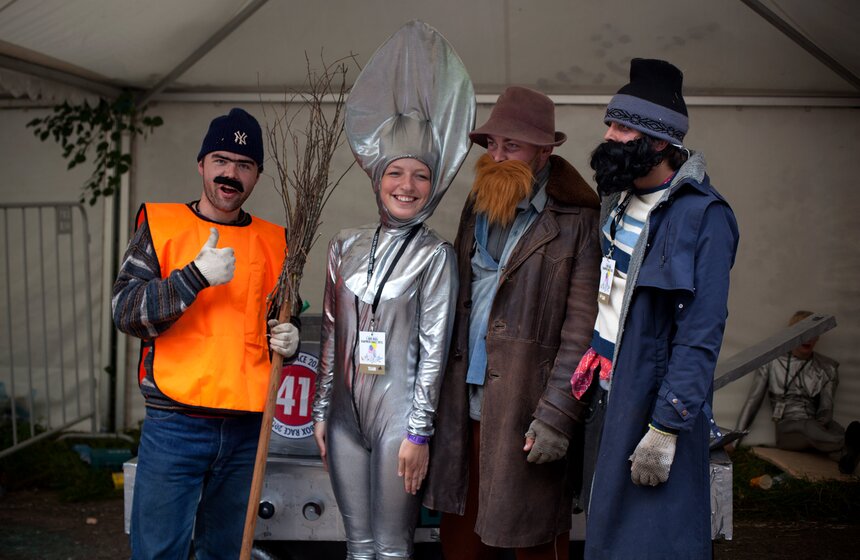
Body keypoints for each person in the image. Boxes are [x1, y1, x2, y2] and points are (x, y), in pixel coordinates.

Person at [310, 21, 475, 560]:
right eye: (395, 173)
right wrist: (320, 412)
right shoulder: (344, 245)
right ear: (377, 176)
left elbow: (433, 354)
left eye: (420, 176)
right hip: (343, 418)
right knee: (357, 547)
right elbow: (331, 336)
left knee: (392, 548)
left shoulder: (435, 256)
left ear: (435, 183)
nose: (407, 186)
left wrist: (419, 434)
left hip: (400, 420)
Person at [570, 59, 739, 559]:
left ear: (661, 141)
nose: (609, 135)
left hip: (653, 404)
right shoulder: (617, 200)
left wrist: (666, 426)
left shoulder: (704, 216)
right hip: (606, 394)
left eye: (623, 127)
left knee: (650, 544)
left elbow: (701, 332)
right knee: (604, 533)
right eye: (610, 122)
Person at [112, 107, 300, 559]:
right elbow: (126, 312)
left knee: (226, 553)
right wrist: (192, 278)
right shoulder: (161, 226)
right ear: (201, 164)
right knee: (159, 552)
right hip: (175, 423)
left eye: (244, 165)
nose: (230, 174)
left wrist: (288, 338)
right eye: (221, 160)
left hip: (247, 427)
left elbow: (280, 316)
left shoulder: (276, 241)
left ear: (257, 175)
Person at [424, 86, 601, 559]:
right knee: (462, 543)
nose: (497, 156)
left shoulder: (578, 220)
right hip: (464, 399)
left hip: (527, 406)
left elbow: (582, 331)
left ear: (544, 152)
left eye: (512, 145)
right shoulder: (477, 202)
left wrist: (557, 416)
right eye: (492, 144)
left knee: (534, 542)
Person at [736, 310, 860, 474]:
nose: (808, 338)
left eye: (813, 332)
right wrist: (735, 441)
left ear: (818, 337)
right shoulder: (771, 363)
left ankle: (845, 457)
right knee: (808, 426)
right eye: (803, 332)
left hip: (816, 428)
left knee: (833, 427)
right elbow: (753, 403)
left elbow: (826, 408)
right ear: (791, 335)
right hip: (788, 431)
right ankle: (846, 443)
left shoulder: (828, 367)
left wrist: (822, 425)